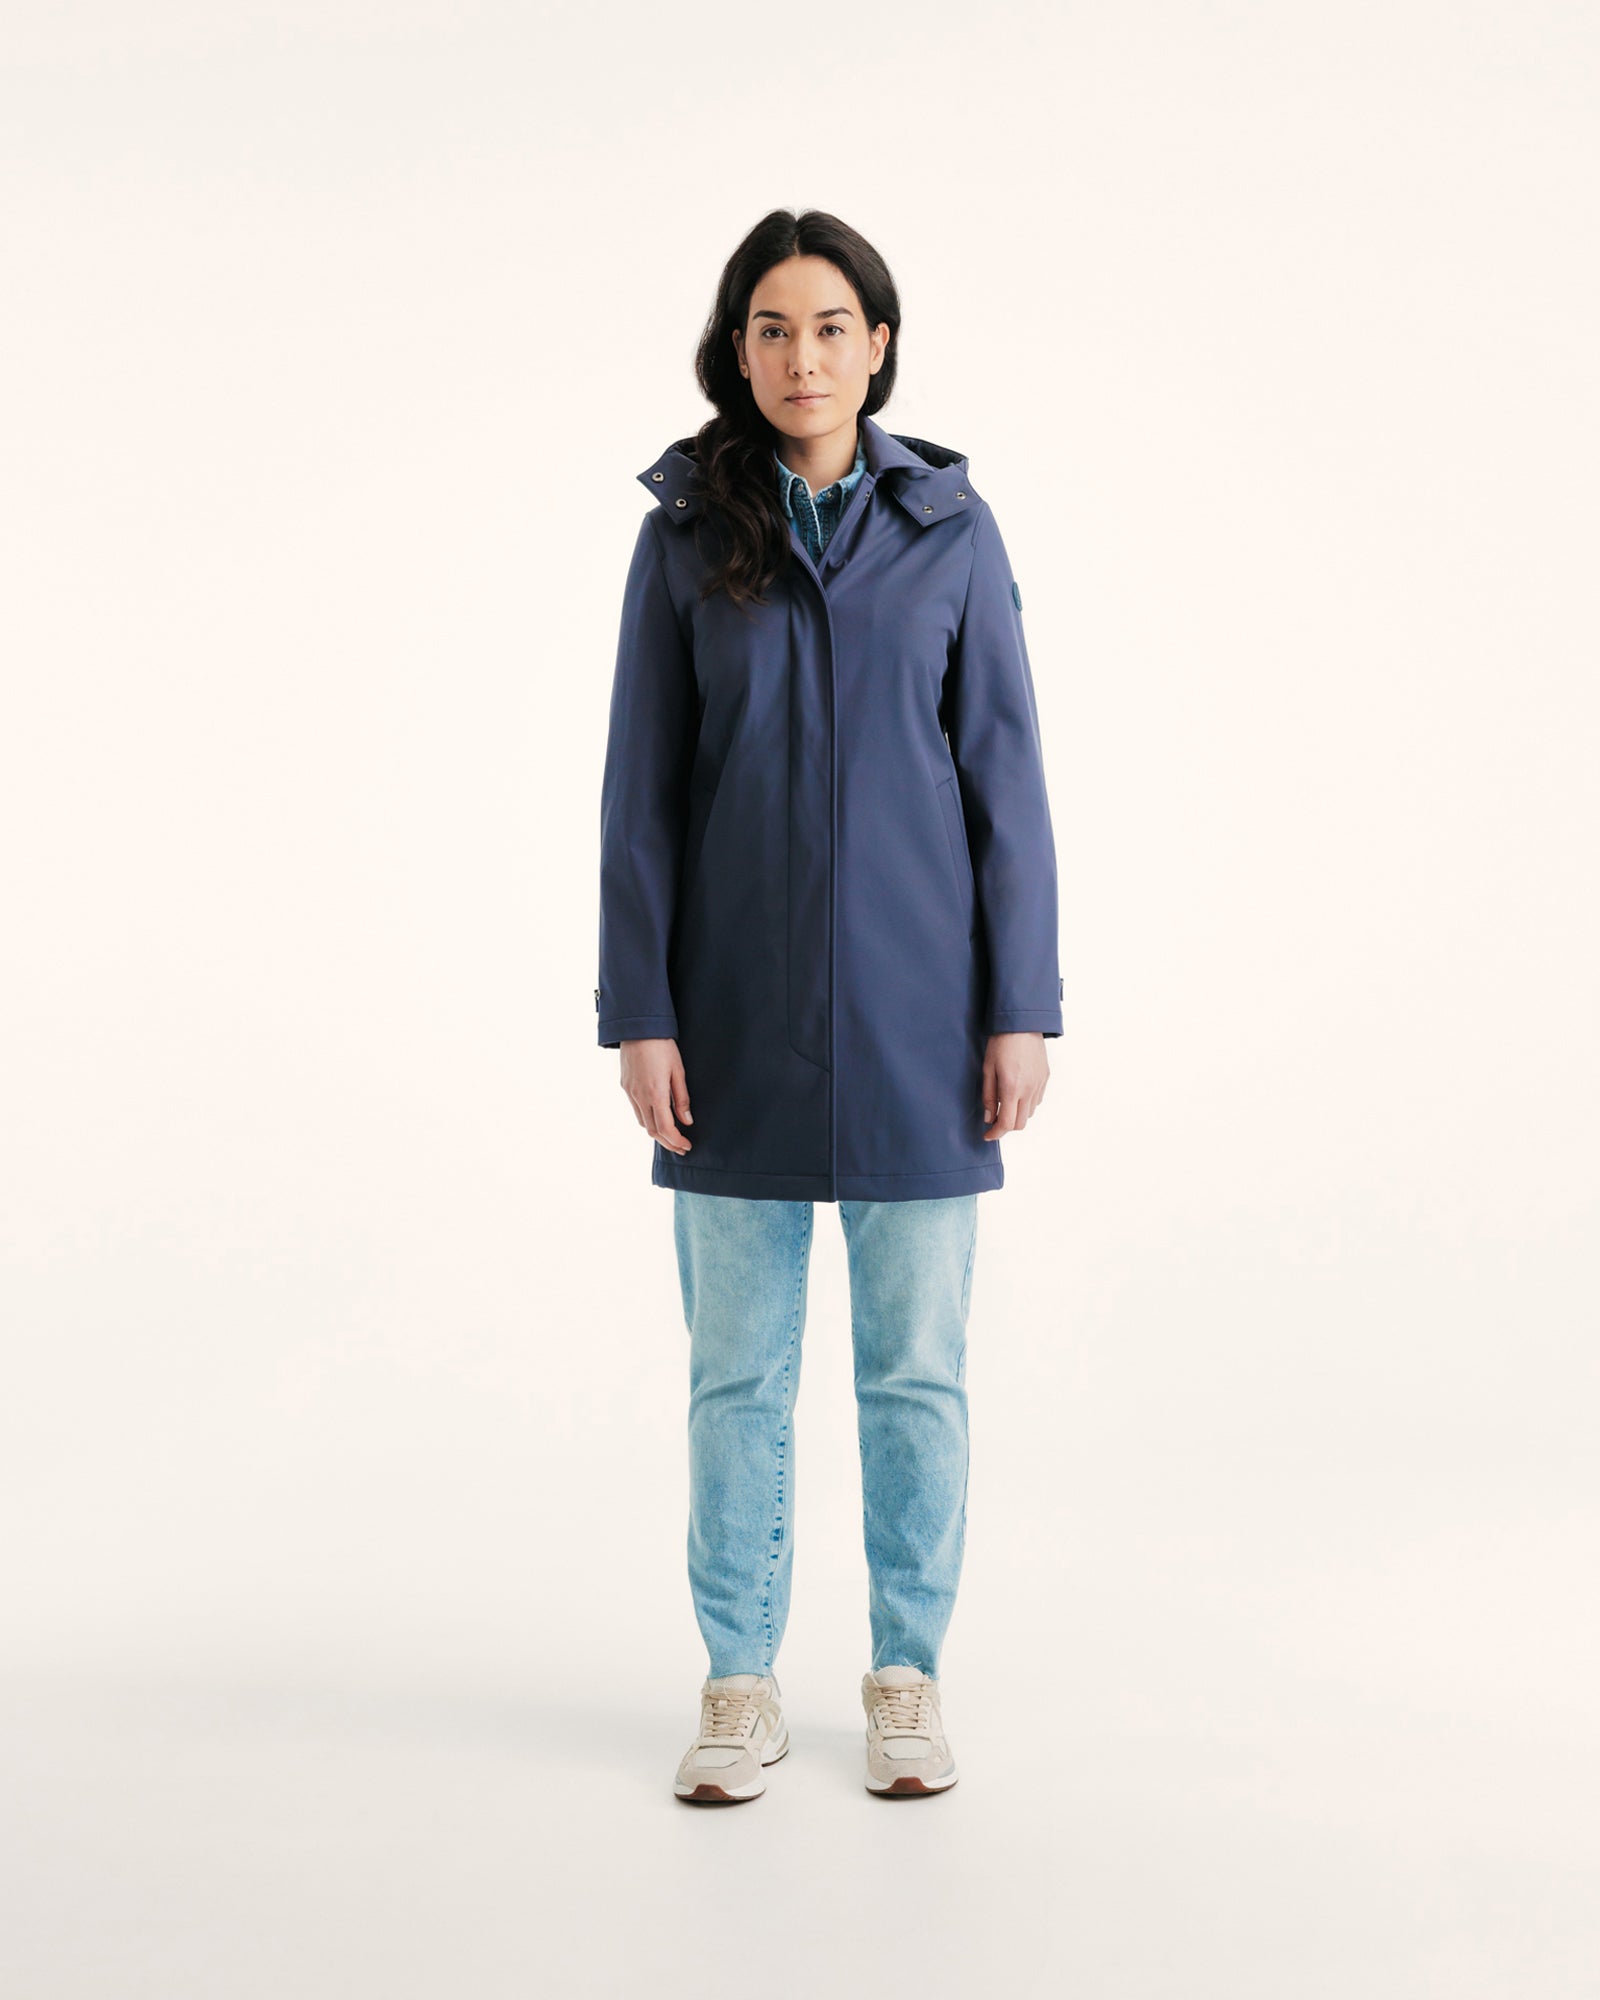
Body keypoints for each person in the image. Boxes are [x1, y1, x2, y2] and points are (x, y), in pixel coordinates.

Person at [595, 209, 1062, 1803]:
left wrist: (1022, 1004)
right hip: (729, 1014)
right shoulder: (684, 538)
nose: (804, 356)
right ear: (739, 351)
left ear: (881, 345)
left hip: (926, 1017)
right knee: (736, 1376)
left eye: (832, 326)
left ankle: (905, 1677)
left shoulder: (952, 532)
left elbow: (1005, 779)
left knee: (914, 1374)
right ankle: (740, 1684)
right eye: (774, 328)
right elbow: (641, 796)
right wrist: (640, 1012)